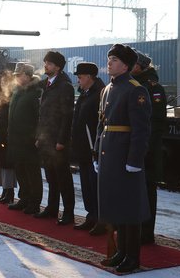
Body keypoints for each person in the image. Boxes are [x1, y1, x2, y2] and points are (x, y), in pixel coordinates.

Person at [95, 44, 151, 273]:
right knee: (116, 204)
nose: (110, 63)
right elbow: (102, 124)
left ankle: (132, 256)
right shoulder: (108, 88)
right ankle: (120, 251)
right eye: (109, 59)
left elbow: (141, 129)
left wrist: (134, 160)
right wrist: (96, 152)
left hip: (124, 154)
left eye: (115, 59)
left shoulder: (135, 89)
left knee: (130, 207)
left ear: (126, 65)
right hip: (110, 153)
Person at [131, 50, 167, 245]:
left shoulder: (153, 88)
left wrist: (144, 148)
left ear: (141, 66)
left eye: (133, 63)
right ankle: (135, 229)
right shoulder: (131, 84)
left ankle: (146, 233)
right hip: (136, 148)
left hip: (148, 151)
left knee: (147, 191)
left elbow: (157, 122)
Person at [35, 51, 75, 225]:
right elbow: (42, 114)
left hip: (57, 140)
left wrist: (61, 141)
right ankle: (52, 208)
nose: (45, 66)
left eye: (49, 63)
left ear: (57, 67)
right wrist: (39, 137)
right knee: (51, 176)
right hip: (46, 138)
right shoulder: (47, 84)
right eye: (45, 62)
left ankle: (68, 212)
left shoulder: (65, 86)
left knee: (63, 178)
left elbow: (67, 116)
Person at [70, 62, 106, 235]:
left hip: (94, 148)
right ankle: (91, 215)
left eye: (80, 77)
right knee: (86, 184)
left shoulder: (100, 93)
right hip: (84, 147)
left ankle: (101, 219)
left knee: (95, 185)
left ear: (89, 77)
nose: (78, 80)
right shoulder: (85, 93)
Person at [7, 63, 43, 215]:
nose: (16, 78)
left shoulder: (36, 93)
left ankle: (34, 202)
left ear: (28, 76)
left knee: (32, 172)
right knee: (20, 170)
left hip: (29, 140)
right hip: (16, 138)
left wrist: (38, 136)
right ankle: (24, 198)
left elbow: (40, 117)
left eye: (19, 75)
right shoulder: (17, 91)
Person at [0, 71, 17, 204]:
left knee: (7, 165)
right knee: (0, 164)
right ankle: (4, 191)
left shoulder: (11, 96)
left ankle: (9, 192)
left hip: (6, 136)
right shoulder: (0, 96)